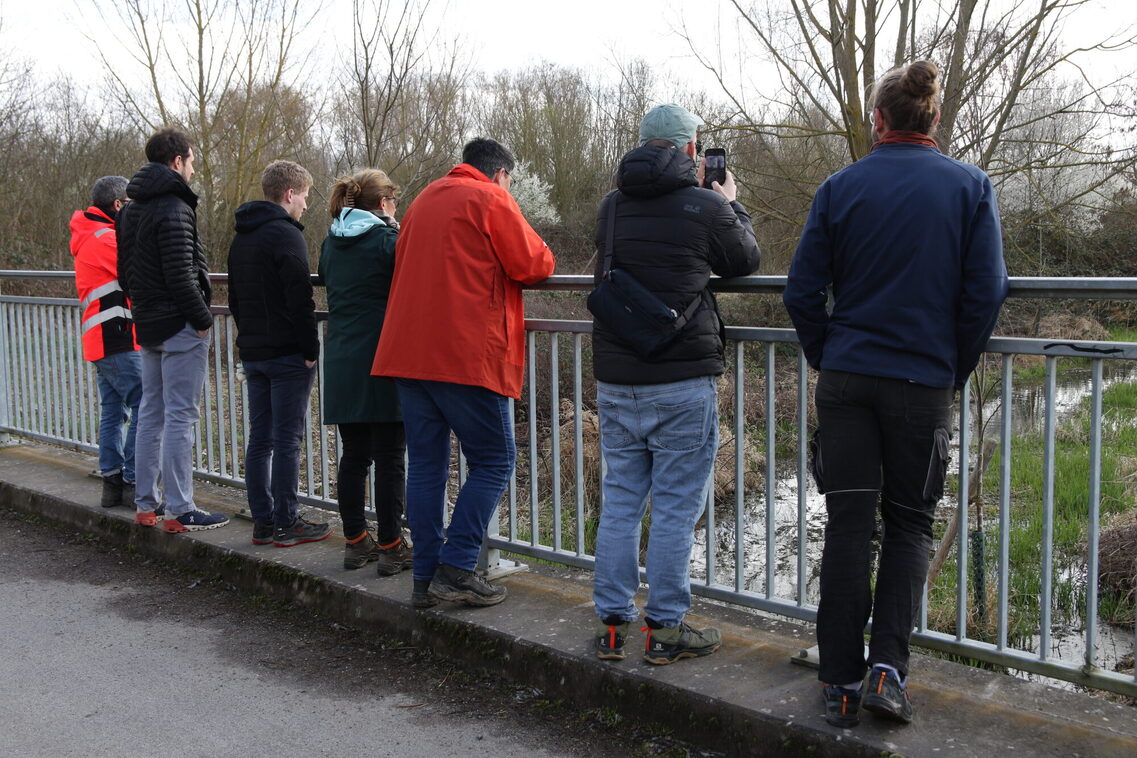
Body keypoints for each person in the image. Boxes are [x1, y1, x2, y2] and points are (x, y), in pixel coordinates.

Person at [783, 61, 1008, 726]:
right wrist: (952, 365)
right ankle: (886, 672)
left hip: (848, 380)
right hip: (921, 381)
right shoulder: (969, 186)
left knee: (850, 526)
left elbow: (800, 291)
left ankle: (837, 682)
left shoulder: (839, 187)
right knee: (909, 525)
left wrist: (831, 355)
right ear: (933, 119)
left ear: (878, 119)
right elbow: (985, 291)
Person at [590, 104, 760, 665]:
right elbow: (744, 262)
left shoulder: (611, 207)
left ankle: (612, 626)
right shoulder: (708, 205)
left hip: (617, 378)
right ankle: (664, 629)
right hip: (681, 380)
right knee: (673, 509)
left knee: (620, 502)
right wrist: (732, 201)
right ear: (691, 150)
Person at [372, 137, 555, 609]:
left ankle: (425, 578)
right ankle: (457, 566)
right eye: (510, 184)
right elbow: (534, 264)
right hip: (466, 354)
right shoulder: (491, 198)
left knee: (428, 466)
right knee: (495, 459)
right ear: (500, 175)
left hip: (410, 354)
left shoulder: (424, 199)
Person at [118, 127, 229, 532]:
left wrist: (144, 310)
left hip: (147, 323)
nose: (194, 168)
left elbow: (124, 273)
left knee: (151, 415)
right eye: (192, 160)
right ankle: (181, 509)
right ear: (177, 161)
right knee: (181, 416)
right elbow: (182, 273)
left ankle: (147, 505)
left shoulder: (130, 208)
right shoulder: (174, 207)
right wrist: (202, 321)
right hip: (179, 324)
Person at [227, 160, 330, 548]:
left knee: (260, 440)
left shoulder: (243, 237)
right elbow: (299, 298)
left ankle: (263, 522)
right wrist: (309, 348)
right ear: (289, 194)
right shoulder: (286, 236)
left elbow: (236, 297)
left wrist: (248, 340)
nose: (305, 204)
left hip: (254, 352)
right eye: (303, 196)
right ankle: (287, 522)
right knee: (287, 441)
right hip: (287, 354)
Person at [319, 169, 412, 574]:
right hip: (382, 359)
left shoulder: (330, 242)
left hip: (341, 359)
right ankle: (393, 546)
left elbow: (325, 276)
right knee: (391, 456)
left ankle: (356, 541)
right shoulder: (386, 242)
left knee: (355, 455)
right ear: (384, 204)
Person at [69, 176, 143, 509]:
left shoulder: (89, 236)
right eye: (130, 204)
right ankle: (132, 480)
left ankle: (112, 483)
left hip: (101, 339)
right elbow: (142, 272)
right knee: (146, 404)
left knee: (114, 411)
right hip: (119, 337)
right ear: (117, 205)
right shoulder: (108, 238)